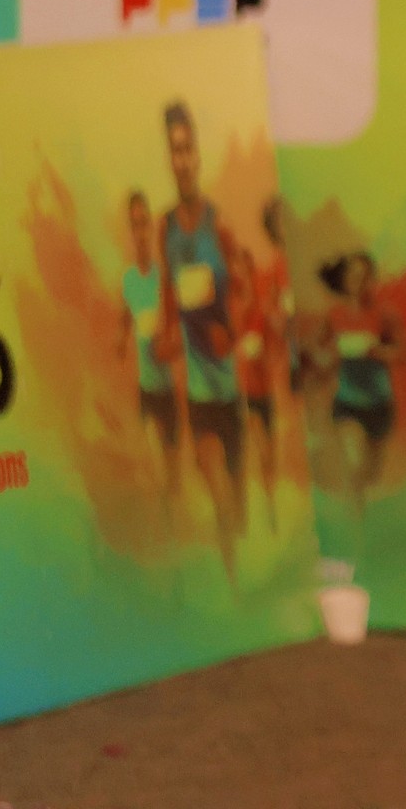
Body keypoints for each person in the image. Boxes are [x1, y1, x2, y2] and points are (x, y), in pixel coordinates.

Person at [159, 101, 245, 585]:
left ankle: (242, 579)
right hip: (196, 392)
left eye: (188, 148)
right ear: (169, 159)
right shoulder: (166, 228)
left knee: (236, 501)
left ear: (198, 155)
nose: (183, 159)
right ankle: (233, 592)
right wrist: (167, 337)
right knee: (217, 492)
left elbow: (247, 295)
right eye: (175, 150)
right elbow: (169, 296)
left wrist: (231, 334)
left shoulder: (219, 224)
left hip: (229, 389)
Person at [318, 251, 403, 518]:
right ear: (344, 280)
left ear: (371, 280)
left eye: (365, 277)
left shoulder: (385, 315)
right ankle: (356, 527)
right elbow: (320, 356)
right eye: (354, 276)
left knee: (371, 476)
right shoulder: (334, 316)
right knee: (355, 465)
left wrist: (376, 350)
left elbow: (405, 354)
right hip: (347, 405)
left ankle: (367, 520)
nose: (359, 282)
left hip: (380, 405)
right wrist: (331, 355)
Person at [119, 190, 182, 503]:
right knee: (152, 474)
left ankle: (174, 519)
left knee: (172, 481)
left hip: (168, 391)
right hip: (145, 392)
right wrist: (120, 342)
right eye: (135, 225)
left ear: (151, 227)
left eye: (144, 223)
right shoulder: (128, 281)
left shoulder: (164, 279)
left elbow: (182, 336)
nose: (140, 232)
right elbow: (124, 320)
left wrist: (167, 346)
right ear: (130, 232)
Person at [230, 241, 285, 534]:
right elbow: (227, 348)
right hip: (244, 392)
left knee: (269, 460)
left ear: (250, 269)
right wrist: (240, 352)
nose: (240, 271)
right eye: (236, 266)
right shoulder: (234, 308)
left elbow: (277, 349)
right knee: (258, 451)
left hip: (265, 391)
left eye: (244, 265)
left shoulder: (264, 309)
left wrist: (267, 357)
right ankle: (256, 516)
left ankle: (270, 508)